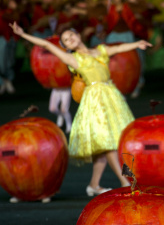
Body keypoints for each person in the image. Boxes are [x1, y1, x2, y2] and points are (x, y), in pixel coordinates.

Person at [9, 22, 151, 198]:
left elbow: (119, 48)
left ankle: (94, 185)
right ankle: (125, 182)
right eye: (66, 40)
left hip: (112, 97)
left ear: (78, 35)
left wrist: (136, 44)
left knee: (108, 145)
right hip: (95, 100)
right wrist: (22, 34)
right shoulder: (73, 59)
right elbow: (46, 45)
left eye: (71, 35)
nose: (71, 39)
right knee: (109, 144)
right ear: (66, 47)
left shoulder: (99, 51)